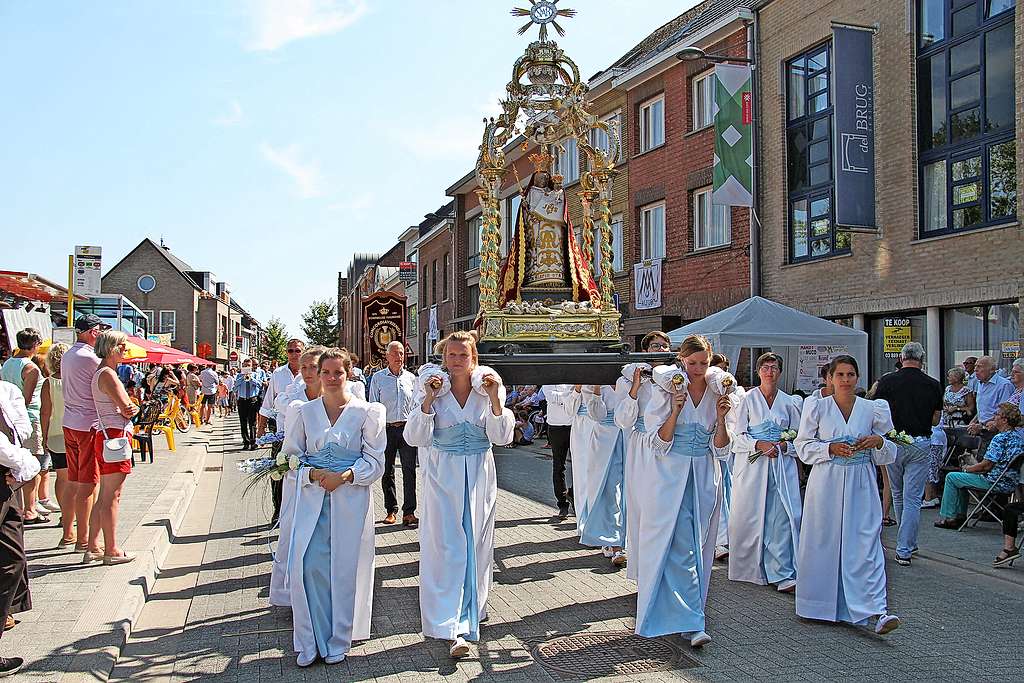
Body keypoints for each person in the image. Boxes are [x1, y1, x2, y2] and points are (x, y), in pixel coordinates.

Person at [403, 331, 514, 659]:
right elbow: (414, 437)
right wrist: (427, 401)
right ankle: (448, 624)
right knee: (446, 544)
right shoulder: (434, 388)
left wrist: (495, 400)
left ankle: (471, 614)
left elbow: (502, 436)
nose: (456, 361)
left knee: (477, 544)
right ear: (444, 358)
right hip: (443, 475)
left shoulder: (489, 388)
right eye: (451, 355)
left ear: (473, 358)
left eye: (462, 355)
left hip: (479, 473)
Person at [281, 348, 385, 667]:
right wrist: (310, 473)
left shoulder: (366, 412)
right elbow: (289, 457)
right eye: (325, 372)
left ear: (348, 373)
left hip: (349, 499)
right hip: (312, 498)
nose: (330, 378)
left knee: (344, 569)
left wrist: (348, 475)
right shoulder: (303, 412)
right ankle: (310, 638)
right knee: (309, 564)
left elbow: (376, 460)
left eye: (337, 372)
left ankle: (339, 638)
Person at [634, 335, 732, 647]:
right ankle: (689, 620)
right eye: (692, 364)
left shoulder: (718, 391)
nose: (698, 369)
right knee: (675, 545)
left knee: (699, 547)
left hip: (703, 476)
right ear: (681, 360)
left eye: (703, 363)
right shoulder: (668, 390)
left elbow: (722, 450)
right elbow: (658, 444)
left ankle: (691, 615)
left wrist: (721, 418)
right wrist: (675, 412)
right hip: (669, 477)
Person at [794, 355, 900, 634]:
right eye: (839, 375)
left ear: (857, 377)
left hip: (861, 482)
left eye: (850, 374)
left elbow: (889, 452)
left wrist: (879, 442)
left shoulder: (873, 409)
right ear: (829, 378)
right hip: (826, 482)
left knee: (865, 541)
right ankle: (817, 603)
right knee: (823, 539)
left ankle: (875, 609)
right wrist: (828, 449)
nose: (845, 380)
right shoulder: (816, 407)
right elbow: (803, 446)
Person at [728, 352, 803, 592]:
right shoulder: (747, 401)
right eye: (765, 368)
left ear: (780, 372)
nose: (769, 372)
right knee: (751, 514)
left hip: (781, 466)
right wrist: (757, 445)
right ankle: (750, 567)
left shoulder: (790, 402)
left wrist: (783, 446)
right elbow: (736, 437)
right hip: (753, 468)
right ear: (759, 372)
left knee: (781, 517)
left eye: (774, 368)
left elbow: (800, 439)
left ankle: (781, 572)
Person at [870, 342, 943, 566]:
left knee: (897, 493)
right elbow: (936, 419)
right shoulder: (933, 384)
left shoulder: (887, 381)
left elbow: (876, 409)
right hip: (920, 442)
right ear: (922, 359)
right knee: (913, 498)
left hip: (893, 442)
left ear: (901, 358)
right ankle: (905, 547)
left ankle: (906, 542)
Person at [613, 330, 673, 581]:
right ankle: (641, 569)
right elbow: (622, 420)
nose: (659, 350)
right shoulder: (627, 380)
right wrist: (636, 388)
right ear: (645, 351)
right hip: (641, 445)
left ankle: (665, 565)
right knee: (640, 503)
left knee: (664, 505)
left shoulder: (674, 378)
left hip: (669, 446)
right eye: (655, 346)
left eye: (664, 346)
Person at [269, 346, 325, 608]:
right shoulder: (295, 402)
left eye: (313, 367)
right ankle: (293, 589)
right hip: (303, 475)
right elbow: (292, 446)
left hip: (330, 478)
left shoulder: (336, 398)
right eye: (304, 367)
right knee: (298, 532)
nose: (308, 372)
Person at [0, 384, 42, 677]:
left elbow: (20, 430)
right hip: (9, 469)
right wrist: (23, 462)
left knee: (12, 559)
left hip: (8, 479)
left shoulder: (7, 389)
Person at [86, 330, 138, 565]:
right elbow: (127, 407)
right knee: (112, 496)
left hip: (104, 434)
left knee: (105, 495)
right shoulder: (108, 374)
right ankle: (111, 549)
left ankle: (93, 546)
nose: (125, 350)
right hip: (114, 436)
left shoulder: (101, 373)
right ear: (112, 348)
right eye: (123, 346)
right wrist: (132, 407)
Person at [934, 402, 1023, 529]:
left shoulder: (1000, 439)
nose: (994, 417)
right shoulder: (1018, 438)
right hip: (1010, 482)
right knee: (961, 477)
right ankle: (959, 515)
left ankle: (951, 517)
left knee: (952, 477)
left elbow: (986, 466)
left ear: (1004, 420)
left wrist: (967, 468)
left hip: (993, 481)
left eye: (996, 414)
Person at [61, 315, 107, 557]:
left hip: (69, 422)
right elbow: (103, 387)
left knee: (75, 480)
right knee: (89, 484)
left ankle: (68, 533)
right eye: (98, 330)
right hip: (87, 424)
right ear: (92, 332)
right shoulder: (91, 358)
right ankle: (85, 540)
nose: (99, 334)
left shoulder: (67, 355)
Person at [367, 341, 418, 528]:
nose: (399, 357)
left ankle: (409, 512)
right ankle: (391, 510)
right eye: (395, 354)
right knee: (387, 471)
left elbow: (417, 405)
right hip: (386, 430)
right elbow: (373, 406)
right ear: (387, 356)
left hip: (407, 429)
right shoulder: (378, 378)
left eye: (402, 353)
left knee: (409, 470)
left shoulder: (412, 379)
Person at [1, 329, 48, 525]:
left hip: (6, 420)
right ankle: (30, 509)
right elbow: (25, 400)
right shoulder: (31, 369)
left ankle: (20, 506)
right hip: (26, 420)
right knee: (31, 464)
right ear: (35, 345)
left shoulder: (7, 364)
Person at [578, 382, 627, 567]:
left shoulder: (629, 380)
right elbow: (596, 414)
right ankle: (613, 542)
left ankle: (623, 539)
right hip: (603, 440)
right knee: (607, 491)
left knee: (628, 492)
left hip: (628, 438)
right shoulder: (592, 385)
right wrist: (596, 389)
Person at [259, 340, 304, 524]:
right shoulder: (278, 374)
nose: (294, 354)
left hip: (303, 434)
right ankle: (278, 510)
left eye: (297, 350)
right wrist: (260, 429)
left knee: (300, 473)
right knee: (278, 471)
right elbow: (268, 403)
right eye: (290, 350)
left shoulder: (311, 371)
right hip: (281, 432)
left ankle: (299, 511)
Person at [39, 343, 75, 548]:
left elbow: (45, 412)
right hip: (76, 430)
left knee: (62, 478)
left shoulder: (48, 383)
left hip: (55, 434)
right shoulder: (76, 381)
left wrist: (43, 437)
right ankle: (76, 515)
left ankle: (65, 515)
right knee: (79, 478)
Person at [540, 384, 576, 519]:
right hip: (555, 427)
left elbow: (578, 396)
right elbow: (551, 397)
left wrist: (567, 397)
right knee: (559, 466)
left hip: (574, 425)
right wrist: (570, 395)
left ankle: (572, 493)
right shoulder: (548, 381)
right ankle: (562, 504)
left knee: (579, 465)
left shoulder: (571, 380)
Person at [966, 356, 1013, 455]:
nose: (975, 370)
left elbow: (1005, 413)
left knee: (988, 466)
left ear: (992, 369)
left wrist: (982, 426)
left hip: (997, 432)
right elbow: (983, 409)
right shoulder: (980, 384)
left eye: (979, 366)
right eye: (975, 367)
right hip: (983, 432)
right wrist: (973, 422)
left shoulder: (1004, 385)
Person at [234, 360, 262, 450]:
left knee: (252, 422)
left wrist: (251, 378)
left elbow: (259, 385)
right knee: (243, 422)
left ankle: (253, 442)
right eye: (245, 366)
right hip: (242, 401)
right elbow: (234, 388)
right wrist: (242, 377)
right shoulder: (238, 376)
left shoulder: (255, 374)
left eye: (248, 366)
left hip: (252, 400)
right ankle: (246, 442)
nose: (247, 367)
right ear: (242, 366)